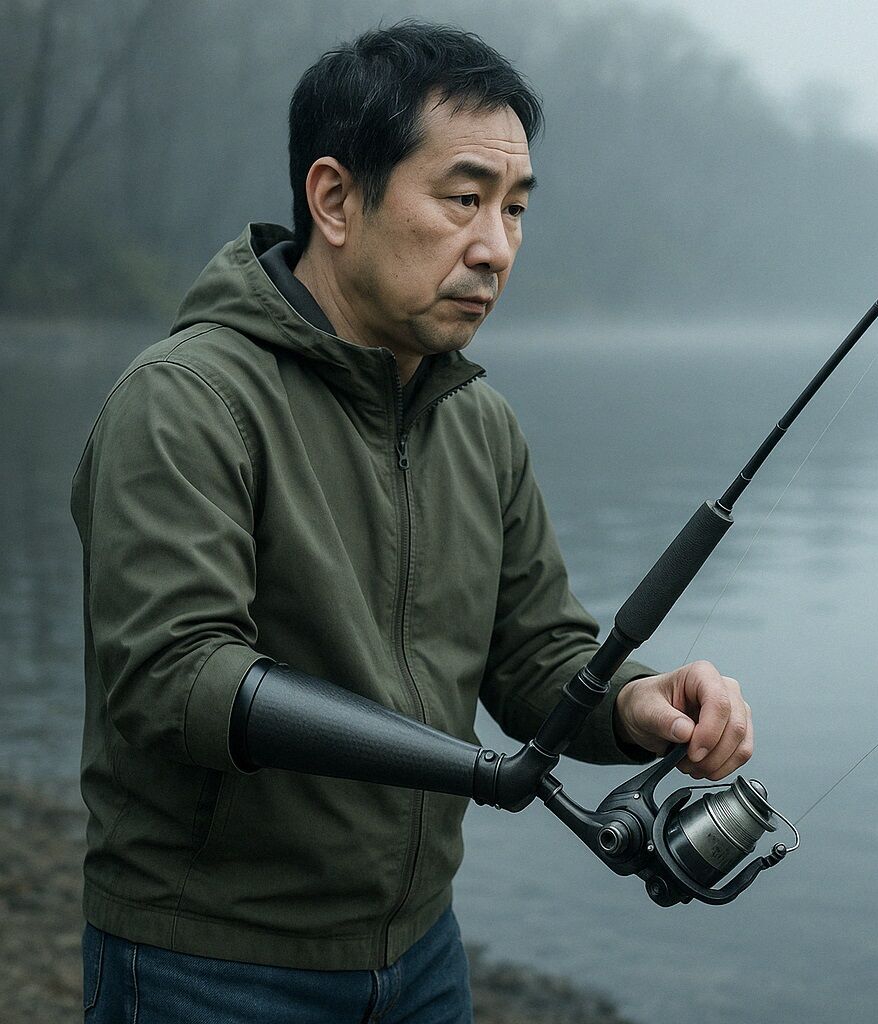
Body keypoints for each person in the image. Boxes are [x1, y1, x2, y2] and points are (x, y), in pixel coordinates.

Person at [71, 19, 753, 1023]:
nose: (496, 248)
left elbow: (534, 653)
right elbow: (174, 677)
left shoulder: (479, 421)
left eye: (516, 209)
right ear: (335, 199)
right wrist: (474, 770)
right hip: (207, 962)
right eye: (463, 199)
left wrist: (634, 703)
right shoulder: (186, 400)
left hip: (423, 954)